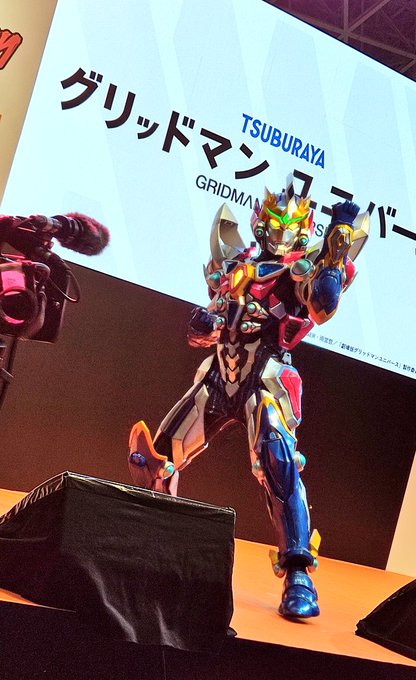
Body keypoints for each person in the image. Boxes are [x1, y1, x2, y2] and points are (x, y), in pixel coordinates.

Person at [128, 177, 368, 618]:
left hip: (266, 377)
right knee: (154, 459)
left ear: (303, 230)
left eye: (289, 228)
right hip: (219, 377)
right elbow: (206, 328)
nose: (280, 234)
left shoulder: (302, 271)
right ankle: (148, 541)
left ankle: (298, 572)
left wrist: (336, 249)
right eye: (274, 225)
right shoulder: (235, 266)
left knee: (278, 462)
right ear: (260, 223)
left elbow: (322, 306)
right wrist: (203, 326)